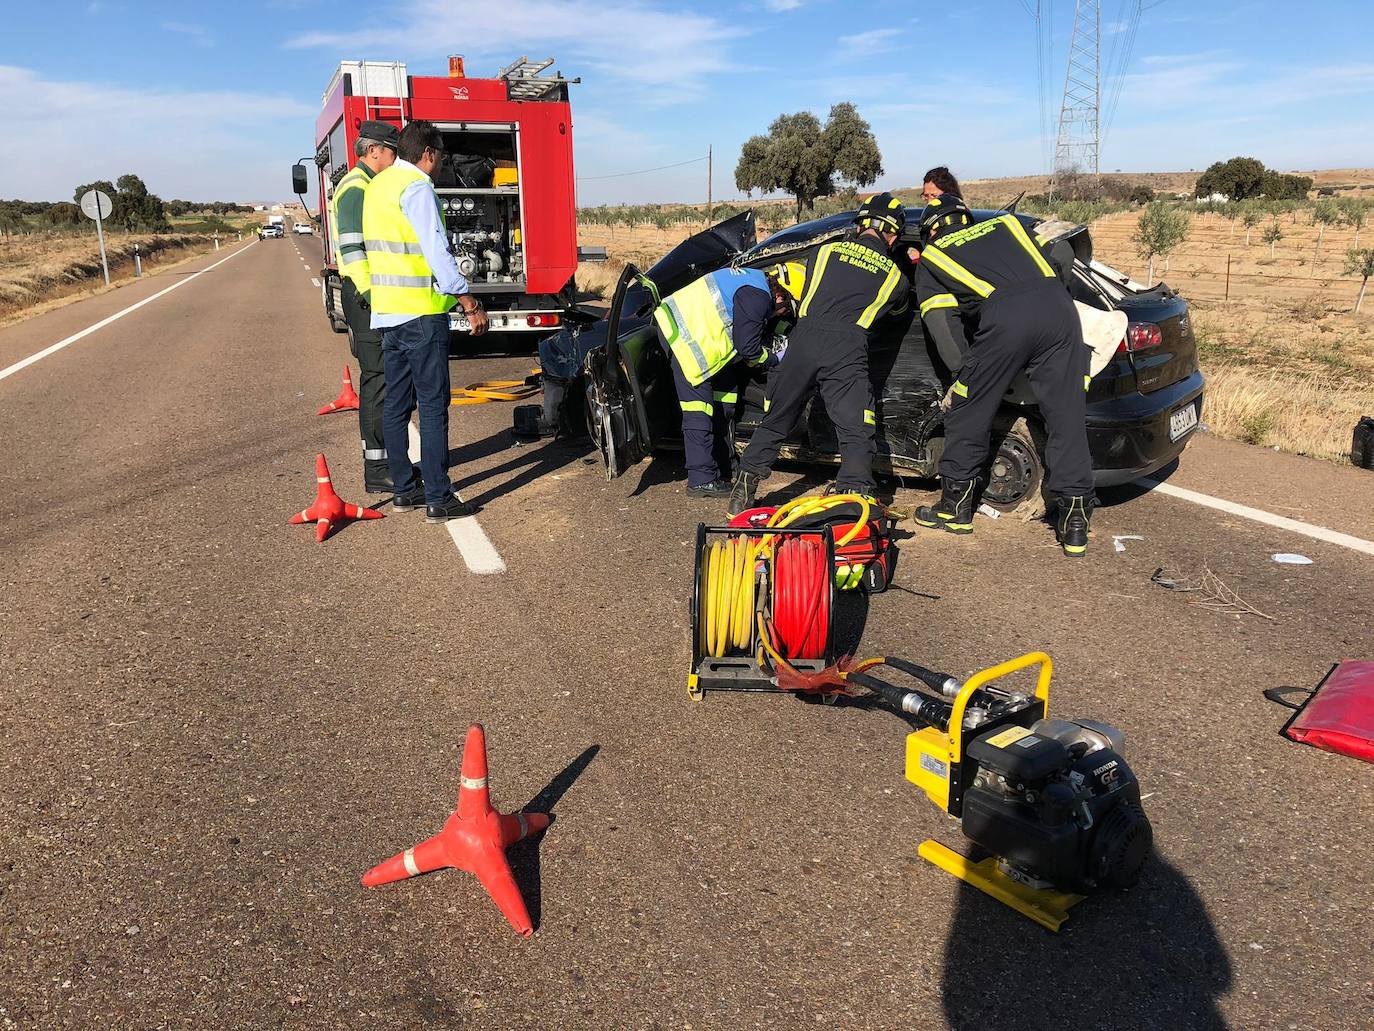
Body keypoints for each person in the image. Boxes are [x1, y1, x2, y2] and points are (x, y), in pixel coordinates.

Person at [910, 193, 1095, 556]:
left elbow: (942, 325)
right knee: (1066, 416)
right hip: (1060, 310)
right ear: (965, 218)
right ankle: (1075, 524)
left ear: (929, 231)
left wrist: (965, 376)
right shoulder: (1007, 224)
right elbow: (1063, 255)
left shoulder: (932, 257)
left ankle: (955, 509)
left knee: (969, 409)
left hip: (1006, 317)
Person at [728, 193, 910, 516]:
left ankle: (742, 490)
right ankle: (852, 501)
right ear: (892, 235)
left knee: (777, 418)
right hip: (848, 348)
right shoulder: (894, 276)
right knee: (855, 428)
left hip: (805, 339)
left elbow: (811, 285)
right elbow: (897, 311)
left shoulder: (823, 251)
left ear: (859, 225)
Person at [363, 119, 490, 523]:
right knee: (433, 409)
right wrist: (468, 300)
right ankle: (438, 496)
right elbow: (436, 251)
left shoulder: (377, 186)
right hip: (422, 314)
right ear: (430, 154)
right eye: (440, 157)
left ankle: (404, 489)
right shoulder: (417, 188)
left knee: (397, 405)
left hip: (389, 314)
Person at [654, 262, 805, 496]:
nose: (785, 314)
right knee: (699, 408)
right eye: (789, 309)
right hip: (685, 338)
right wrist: (775, 359)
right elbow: (749, 349)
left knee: (726, 397)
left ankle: (725, 467)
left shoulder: (755, 284)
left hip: (700, 337)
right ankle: (701, 479)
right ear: (781, 297)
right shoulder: (757, 297)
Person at [331, 119, 399, 493]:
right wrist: (377, 298)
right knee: (378, 380)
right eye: (391, 152)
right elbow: (356, 253)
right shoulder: (357, 188)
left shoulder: (367, 185)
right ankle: (377, 470)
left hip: (368, 294)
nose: (394, 159)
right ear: (373, 150)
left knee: (383, 378)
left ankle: (388, 460)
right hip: (365, 295)